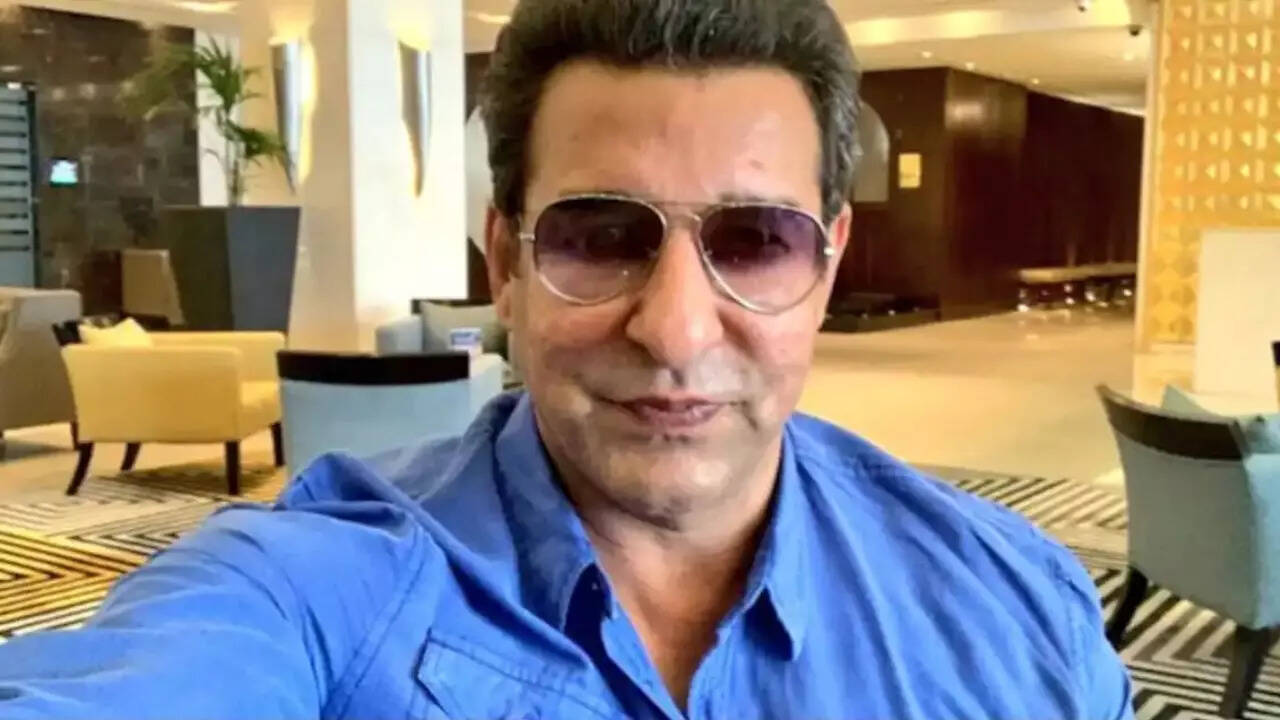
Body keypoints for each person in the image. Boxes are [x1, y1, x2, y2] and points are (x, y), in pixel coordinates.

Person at [0, 1, 1134, 718]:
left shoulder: (1014, 605)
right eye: (599, 237)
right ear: (504, 262)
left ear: (826, 266)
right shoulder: (315, 584)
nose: (677, 330)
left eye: (754, 240)